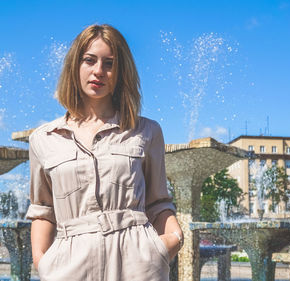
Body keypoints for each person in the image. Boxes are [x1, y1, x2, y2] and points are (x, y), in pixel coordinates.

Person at [25, 24, 183, 281]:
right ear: (75, 65)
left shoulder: (147, 131)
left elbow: (158, 202)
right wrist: (43, 262)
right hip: (68, 267)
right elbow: (43, 209)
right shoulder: (43, 138)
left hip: (137, 264)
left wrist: (171, 241)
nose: (99, 71)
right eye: (89, 60)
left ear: (121, 73)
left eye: (109, 63)